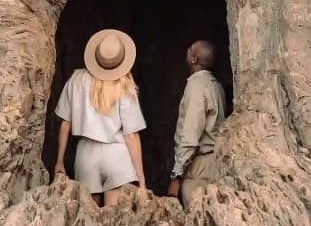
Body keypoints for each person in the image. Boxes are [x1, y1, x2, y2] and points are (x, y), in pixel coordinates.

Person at [54, 29, 147, 206]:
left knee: (89, 216)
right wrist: (141, 178)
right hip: (117, 154)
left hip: (86, 154)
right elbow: (131, 135)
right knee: (114, 216)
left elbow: (65, 124)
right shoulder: (124, 84)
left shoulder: (76, 79)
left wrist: (59, 161)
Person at [167, 40, 225, 208]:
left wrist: (176, 176)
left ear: (194, 59)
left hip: (197, 167)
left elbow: (191, 135)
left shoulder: (196, 86)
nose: (186, 50)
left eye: (190, 49)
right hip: (214, 161)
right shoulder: (216, 85)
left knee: (195, 214)